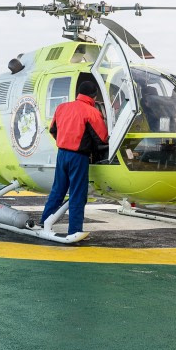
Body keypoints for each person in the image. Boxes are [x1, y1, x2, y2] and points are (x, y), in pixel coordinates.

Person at [40, 80, 109, 236]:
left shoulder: (62, 107)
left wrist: (65, 140)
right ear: (94, 95)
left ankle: (43, 222)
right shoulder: (92, 112)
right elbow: (102, 138)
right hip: (79, 157)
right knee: (77, 194)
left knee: (57, 191)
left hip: (62, 154)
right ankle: (75, 231)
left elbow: (53, 130)